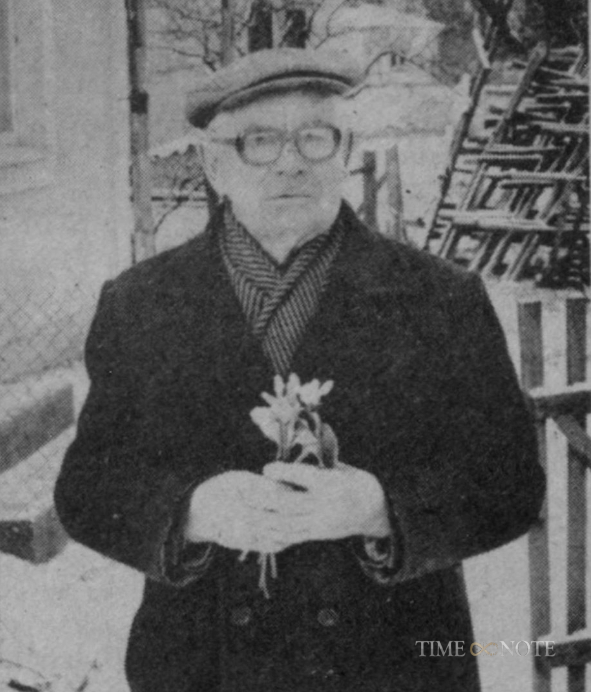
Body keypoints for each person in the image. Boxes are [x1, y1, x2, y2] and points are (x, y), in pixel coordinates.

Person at [55, 48, 545, 692]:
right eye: (259, 141)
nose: (291, 162)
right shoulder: (142, 302)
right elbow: (88, 488)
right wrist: (191, 513)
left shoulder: (439, 298)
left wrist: (381, 510)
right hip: (203, 669)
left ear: (347, 151)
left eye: (315, 137)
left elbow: (511, 484)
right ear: (213, 163)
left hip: (395, 667)